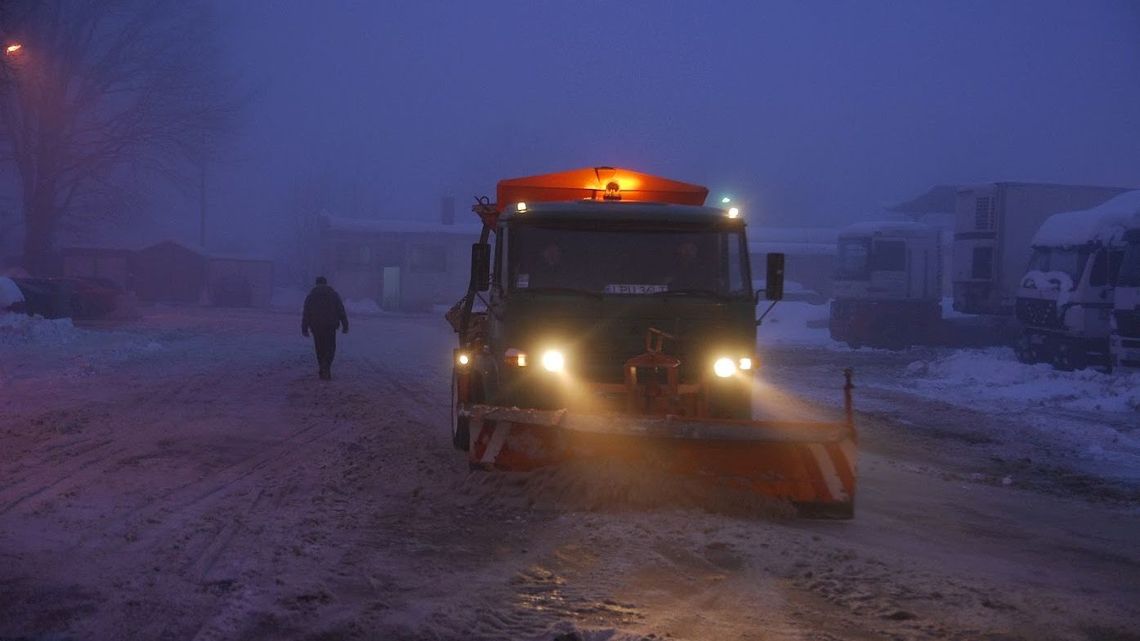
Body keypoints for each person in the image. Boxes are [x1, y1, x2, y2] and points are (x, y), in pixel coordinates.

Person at [301, 276, 349, 380]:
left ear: (316, 284)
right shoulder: (333, 295)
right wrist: (345, 325)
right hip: (330, 326)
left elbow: (306, 313)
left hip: (316, 326)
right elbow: (341, 310)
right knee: (330, 348)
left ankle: (322, 367)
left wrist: (304, 328)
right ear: (326, 283)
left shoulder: (311, 296)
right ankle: (326, 365)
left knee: (319, 348)